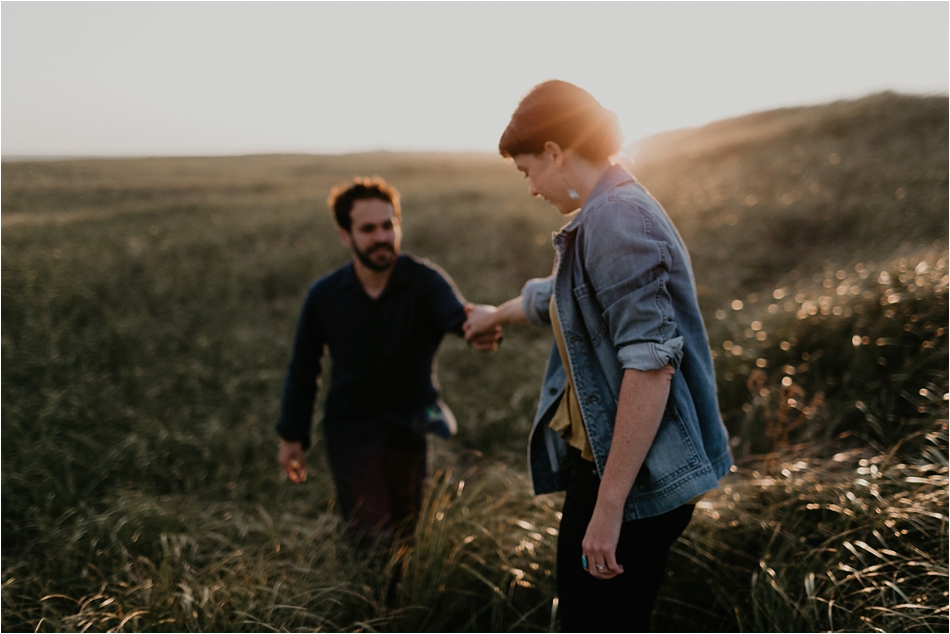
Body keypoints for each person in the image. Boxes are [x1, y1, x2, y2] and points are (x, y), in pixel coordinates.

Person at [462, 80, 733, 632]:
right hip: (616, 472)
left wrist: (608, 510)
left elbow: (651, 365)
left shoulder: (616, 218)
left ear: (556, 152)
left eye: (527, 170)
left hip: (629, 480)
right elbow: (558, 297)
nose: (532, 188)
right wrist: (495, 315)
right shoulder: (605, 212)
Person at [276, 176, 499, 545]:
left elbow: (460, 317)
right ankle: (374, 600)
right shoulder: (325, 296)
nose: (381, 237)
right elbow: (304, 366)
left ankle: (410, 598)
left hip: (410, 426)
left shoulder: (425, 282)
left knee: (410, 529)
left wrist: (483, 327)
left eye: (388, 225)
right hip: (350, 431)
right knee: (370, 536)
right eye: (368, 229)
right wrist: (291, 436)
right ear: (345, 235)